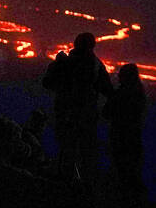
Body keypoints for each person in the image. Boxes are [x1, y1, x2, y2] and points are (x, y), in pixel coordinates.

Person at [44, 33, 113, 185]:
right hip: (85, 115)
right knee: (83, 150)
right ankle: (79, 183)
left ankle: (66, 180)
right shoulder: (95, 65)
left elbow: (47, 83)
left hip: (68, 111)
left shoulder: (66, 62)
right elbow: (107, 89)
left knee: (67, 147)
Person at [104, 63, 147, 194]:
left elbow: (106, 112)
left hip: (120, 138)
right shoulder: (140, 94)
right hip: (133, 138)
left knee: (121, 170)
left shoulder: (121, 94)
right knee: (131, 171)